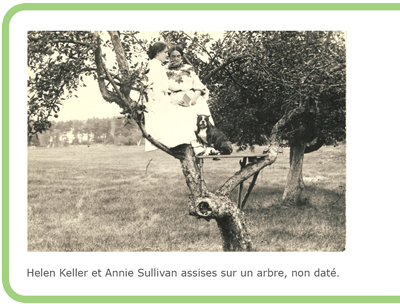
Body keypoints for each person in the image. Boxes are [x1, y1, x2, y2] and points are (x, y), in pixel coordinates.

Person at [144, 42, 197, 152]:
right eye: (165, 53)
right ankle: (184, 144)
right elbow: (155, 89)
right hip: (158, 101)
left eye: (178, 56)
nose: (167, 56)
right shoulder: (155, 66)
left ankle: (192, 144)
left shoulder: (158, 65)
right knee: (179, 114)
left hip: (180, 97)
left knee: (187, 112)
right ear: (158, 53)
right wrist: (170, 101)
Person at [166, 45, 214, 131]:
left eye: (178, 56)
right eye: (173, 56)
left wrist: (192, 100)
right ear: (168, 57)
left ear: (181, 57)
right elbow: (162, 89)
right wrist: (171, 100)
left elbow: (198, 86)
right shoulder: (164, 70)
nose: (176, 59)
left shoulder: (188, 68)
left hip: (191, 96)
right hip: (173, 98)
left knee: (198, 120)